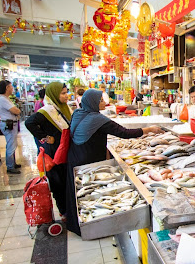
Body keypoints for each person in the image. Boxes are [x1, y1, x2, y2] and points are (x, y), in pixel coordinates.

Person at [65, 90, 162, 236]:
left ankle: (75, 223)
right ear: (93, 103)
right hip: (87, 157)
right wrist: (149, 129)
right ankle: (89, 227)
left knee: (77, 190)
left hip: (74, 155)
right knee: (88, 189)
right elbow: (124, 133)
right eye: (101, 101)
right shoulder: (97, 119)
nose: (105, 103)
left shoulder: (78, 113)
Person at [25, 82, 72, 219]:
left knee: (65, 180)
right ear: (54, 95)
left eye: (66, 92)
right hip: (53, 153)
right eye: (63, 93)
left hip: (63, 150)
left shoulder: (63, 108)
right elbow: (29, 123)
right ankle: (64, 212)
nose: (66, 96)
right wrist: (45, 138)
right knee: (57, 182)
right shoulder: (47, 111)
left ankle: (68, 208)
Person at [0, 80, 21, 174]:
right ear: (7, 88)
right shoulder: (2, 99)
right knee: (10, 145)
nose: (12, 88)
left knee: (12, 144)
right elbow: (16, 111)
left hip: (11, 123)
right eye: (11, 87)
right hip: (8, 124)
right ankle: (10, 166)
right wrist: (17, 110)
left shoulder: (6, 98)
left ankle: (13, 163)